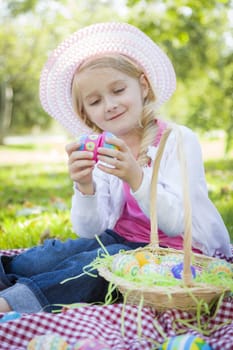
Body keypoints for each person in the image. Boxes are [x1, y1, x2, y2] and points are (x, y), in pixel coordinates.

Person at [0, 22, 231, 314]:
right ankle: (12, 279)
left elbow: (177, 223)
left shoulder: (178, 140)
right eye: (95, 101)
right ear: (87, 114)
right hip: (121, 237)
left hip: (176, 250)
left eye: (118, 90)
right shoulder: (104, 146)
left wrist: (136, 177)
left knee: (101, 262)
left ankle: (12, 303)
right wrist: (85, 188)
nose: (109, 105)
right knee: (42, 259)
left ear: (143, 86)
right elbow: (90, 230)